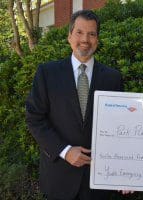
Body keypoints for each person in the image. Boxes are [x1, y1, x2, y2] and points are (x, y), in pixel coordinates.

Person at [26, 10, 126, 200]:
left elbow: (120, 128)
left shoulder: (112, 78)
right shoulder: (47, 73)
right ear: (69, 36)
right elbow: (34, 118)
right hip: (59, 179)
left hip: (98, 181)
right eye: (79, 32)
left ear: (97, 39)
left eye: (92, 34)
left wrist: (124, 172)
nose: (85, 39)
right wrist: (64, 151)